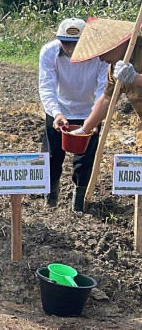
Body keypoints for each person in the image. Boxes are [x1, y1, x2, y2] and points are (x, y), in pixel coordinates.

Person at [69, 17, 142, 210]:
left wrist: (136, 79)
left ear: (117, 43)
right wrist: (85, 129)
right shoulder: (115, 68)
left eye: (103, 52)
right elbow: (107, 99)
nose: (101, 58)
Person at [38, 18, 108, 210]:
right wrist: (56, 113)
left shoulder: (101, 56)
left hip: (90, 111)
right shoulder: (49, 52)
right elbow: (47, 87)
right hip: (60, 109)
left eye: (75, 44)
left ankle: (78, 204)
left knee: (84, 161)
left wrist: (93, 119)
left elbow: (104, 90)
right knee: (52, 157)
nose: (70, 49)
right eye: (65, 43)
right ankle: (50, 201)